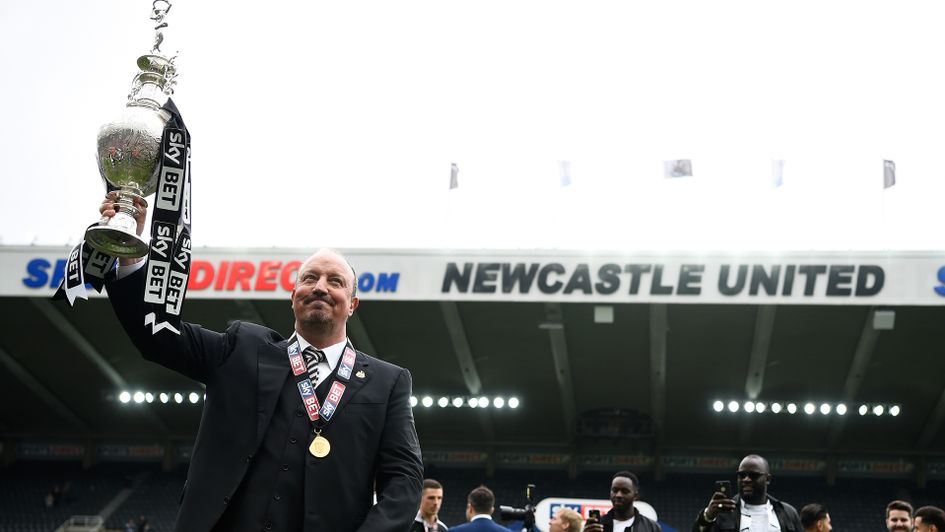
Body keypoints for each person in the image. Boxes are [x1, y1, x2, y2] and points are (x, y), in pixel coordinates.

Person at [98, 194, 423, 532]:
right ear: (293, 296)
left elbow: (404, 479)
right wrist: (130, 252)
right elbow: (156, 336)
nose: (320, 287)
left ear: (353, 304)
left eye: (335, 281)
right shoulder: (241, 350)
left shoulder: (387, 383)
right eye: (309, 278)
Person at [693, 454, 803, 532]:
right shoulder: (723, 512)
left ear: (768, 479)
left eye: (753, 475)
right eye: (741, 475)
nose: (746, 479)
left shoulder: (788, 513)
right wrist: (707, 517)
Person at [583, 471, 661, 532]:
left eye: (624, 491)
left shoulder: (651, 527)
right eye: (615, 490)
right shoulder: (597, 525)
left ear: (635, 495)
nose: (618, 495)